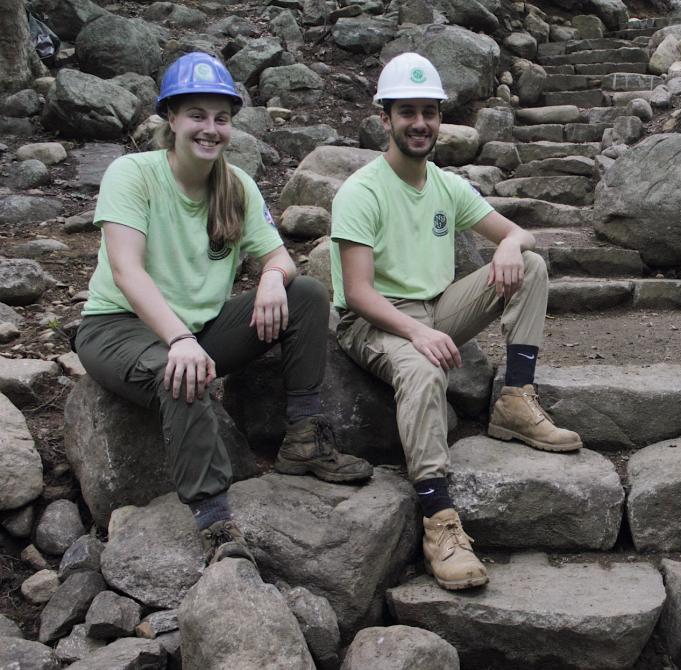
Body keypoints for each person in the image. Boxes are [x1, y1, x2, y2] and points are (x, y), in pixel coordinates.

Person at [75, 52, 373, 567]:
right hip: (118, 327)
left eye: (221, 118)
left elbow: (278, 256)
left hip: (200, 328)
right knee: (181, 374)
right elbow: (127, 270)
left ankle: (304, 438)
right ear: (170, 118)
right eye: (197, 115)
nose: (210, 129)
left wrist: (274, 280)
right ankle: (213, 519)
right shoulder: (133, 174)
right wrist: (180, 342)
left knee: (305, 295)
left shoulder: (237, 186)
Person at [330, 52, 582, 591]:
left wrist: (512, 244)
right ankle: (438, 521)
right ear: (386, 118)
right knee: (422, 370)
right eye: (408, 112)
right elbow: (356, 291)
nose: (420, 123)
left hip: (436, 308)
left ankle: (515, 398)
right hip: (372, 319)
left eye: (429, 112)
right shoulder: (362, 191)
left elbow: (520, 233)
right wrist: (418, 333)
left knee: (531, 266)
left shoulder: (445, 185)